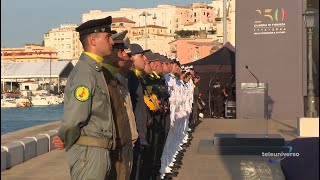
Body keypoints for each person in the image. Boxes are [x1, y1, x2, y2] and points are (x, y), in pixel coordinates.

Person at [53, 16, 117, 180]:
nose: (112, 42)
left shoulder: (94, 70)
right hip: (89, 154)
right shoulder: (85, 72)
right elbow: (74, 117)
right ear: (93, 41)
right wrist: (64, 137)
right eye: (108, 37)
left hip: (97, 152)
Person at [102, 30, 138, 180]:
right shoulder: (104, 79)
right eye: (120, 50)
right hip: (115, 149)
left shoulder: (116, 78)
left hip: (124, 145)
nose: (123, 55)